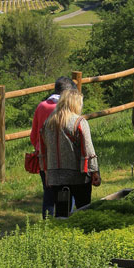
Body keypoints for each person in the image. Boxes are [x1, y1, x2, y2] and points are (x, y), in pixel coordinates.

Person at [40, 87, 101, 216]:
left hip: (56, 177)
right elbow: (88, 149)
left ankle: (59, 235)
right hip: (78, 176)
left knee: (62, 214)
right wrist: (95, 171)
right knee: (83, 213)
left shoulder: (48, 123)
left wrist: (46, 173)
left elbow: (43, 151)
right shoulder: (79, 122)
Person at [30, 77, 77, 218]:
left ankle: (47, 224)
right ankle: (65, 220)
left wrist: (40, 148)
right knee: (67, 191)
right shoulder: (67, 108)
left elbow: (34, 134)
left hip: (44, 158)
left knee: (48, 192)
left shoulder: (41, 106)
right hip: (64, 158)